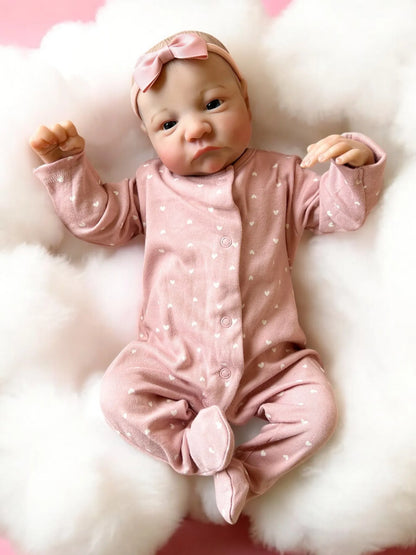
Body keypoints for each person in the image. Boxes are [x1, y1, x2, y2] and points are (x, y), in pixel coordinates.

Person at [29, 31, 386, 524]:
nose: (196, 129)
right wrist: (69, 167)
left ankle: (248, 472)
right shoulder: (150, 186)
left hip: (270, 362)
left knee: (317, 412)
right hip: (170, 358)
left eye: (213, 104)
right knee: (117, 397)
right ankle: (193, 448)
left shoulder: (283, 176)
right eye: (168, 123)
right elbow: (101, 221)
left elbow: (339, 213)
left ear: (246, 99)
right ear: (149, 138)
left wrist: (353, 163)